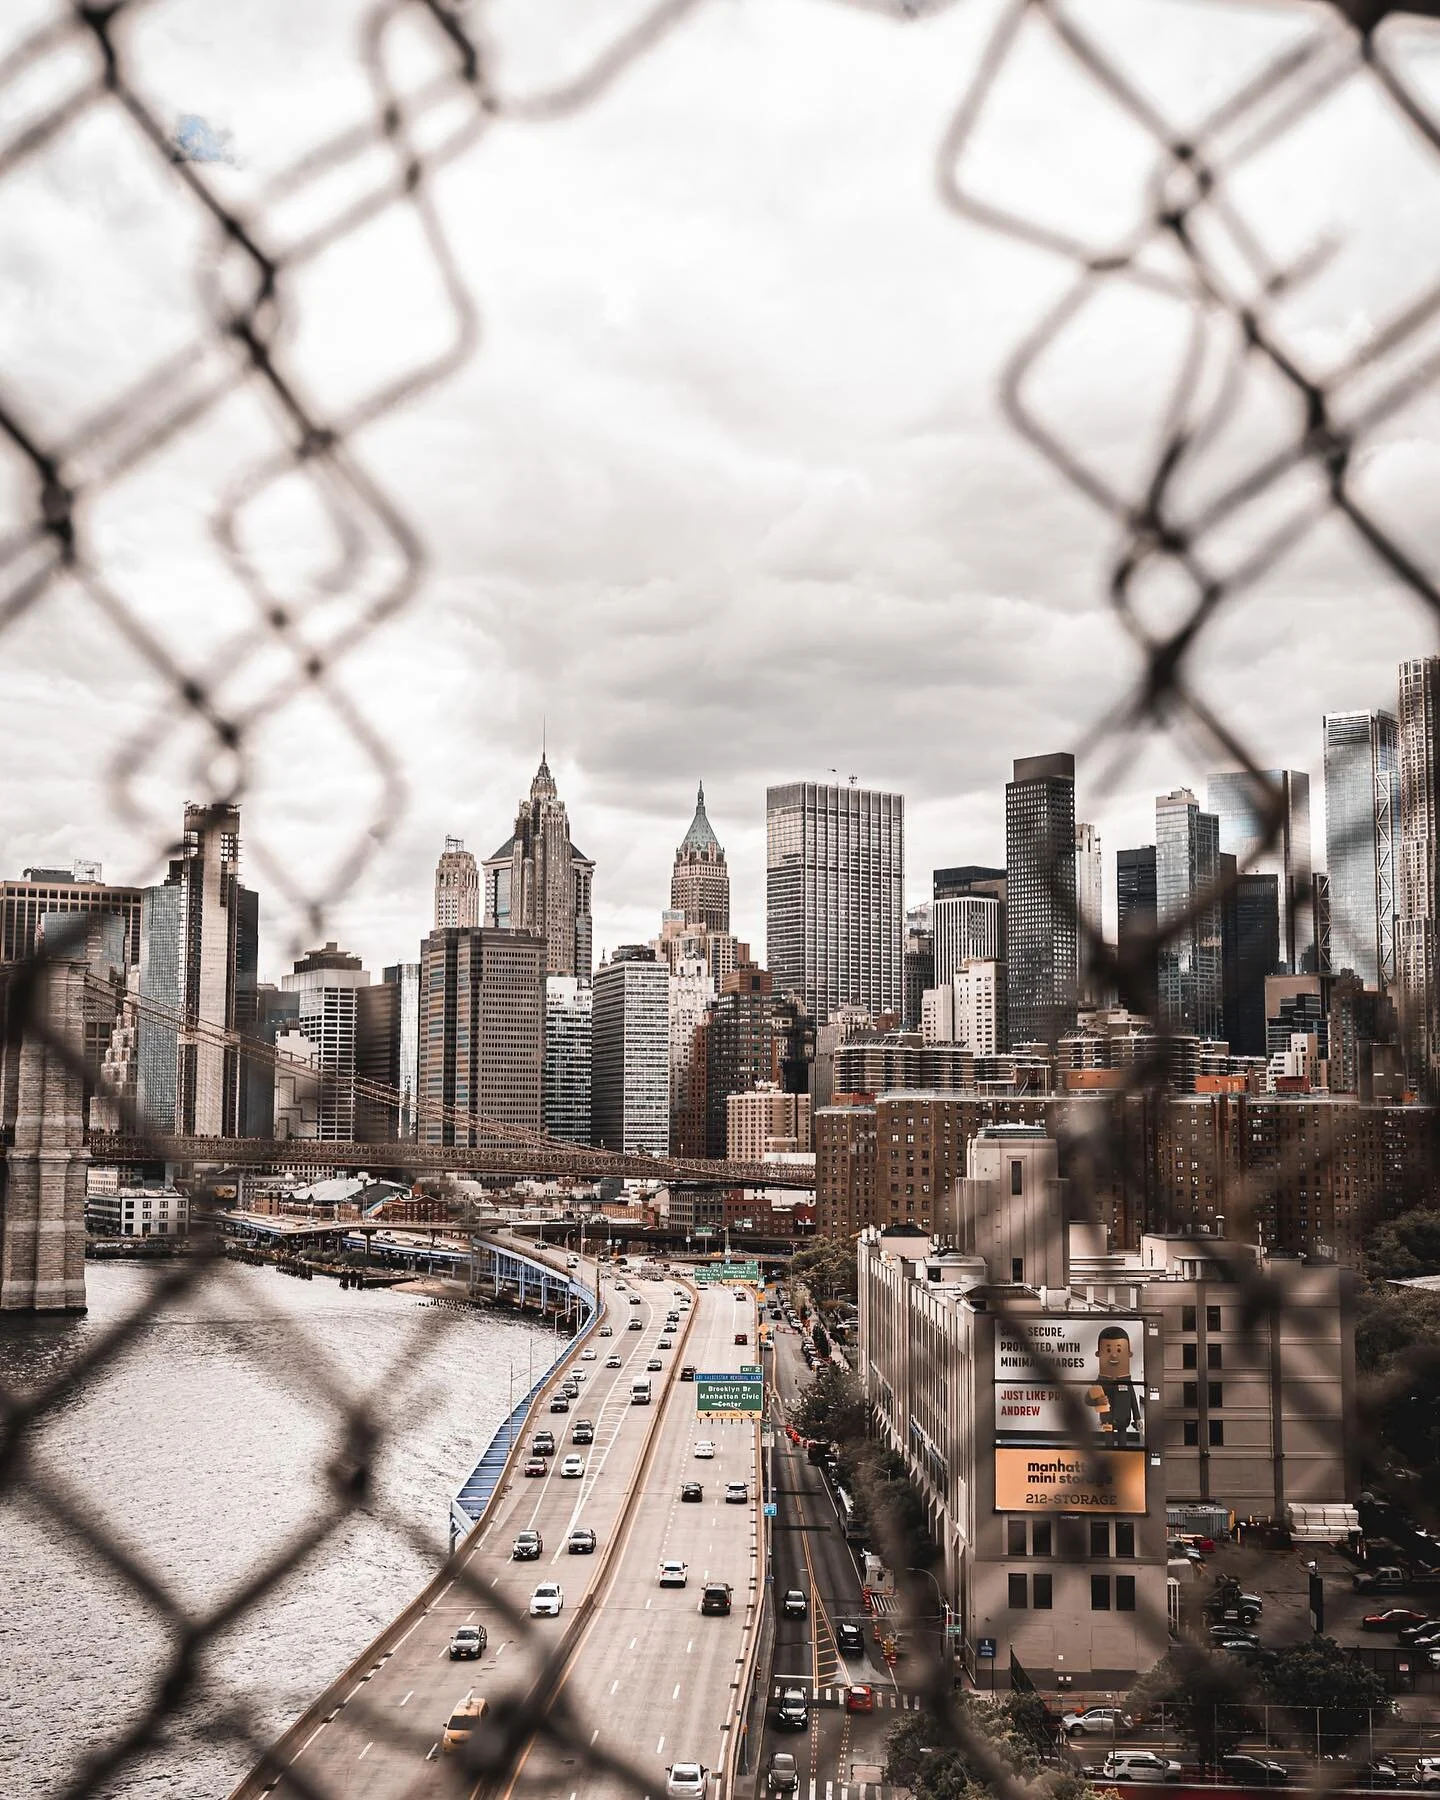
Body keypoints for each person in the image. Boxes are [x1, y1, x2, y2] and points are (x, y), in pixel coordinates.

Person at [1083, 1325, 1144, 1445]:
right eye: (1109, 1350)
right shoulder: (1100, 1381)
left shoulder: (1127, 1381)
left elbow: (1133, 1400)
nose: (1114, 1355)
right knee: (1109, 1442)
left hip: (1123, 1418)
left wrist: (1137, 1418)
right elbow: (1087, 1399)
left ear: (1129, 1354)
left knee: (1123, 1441)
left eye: (1119, 1350)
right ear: (1098, 1354)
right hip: (1108, 1418)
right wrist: (1097, 1401)